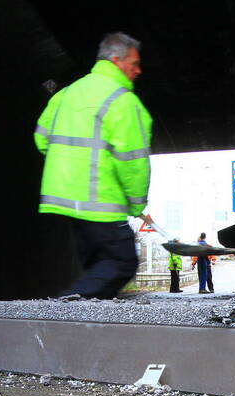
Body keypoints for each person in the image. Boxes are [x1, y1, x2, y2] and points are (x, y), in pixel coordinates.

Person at [34, 31, 153, 299]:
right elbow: (133, 163)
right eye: (133, 64)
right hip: (101, 201)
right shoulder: (123, 102)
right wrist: (136, 205)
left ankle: (83, 329)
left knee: (97, 268)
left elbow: (42, 138)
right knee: (121, 263)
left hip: (66, 201)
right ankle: (61, 311)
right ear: (115, 61)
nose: (138, 70)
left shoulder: (66, 93)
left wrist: (67, 169)